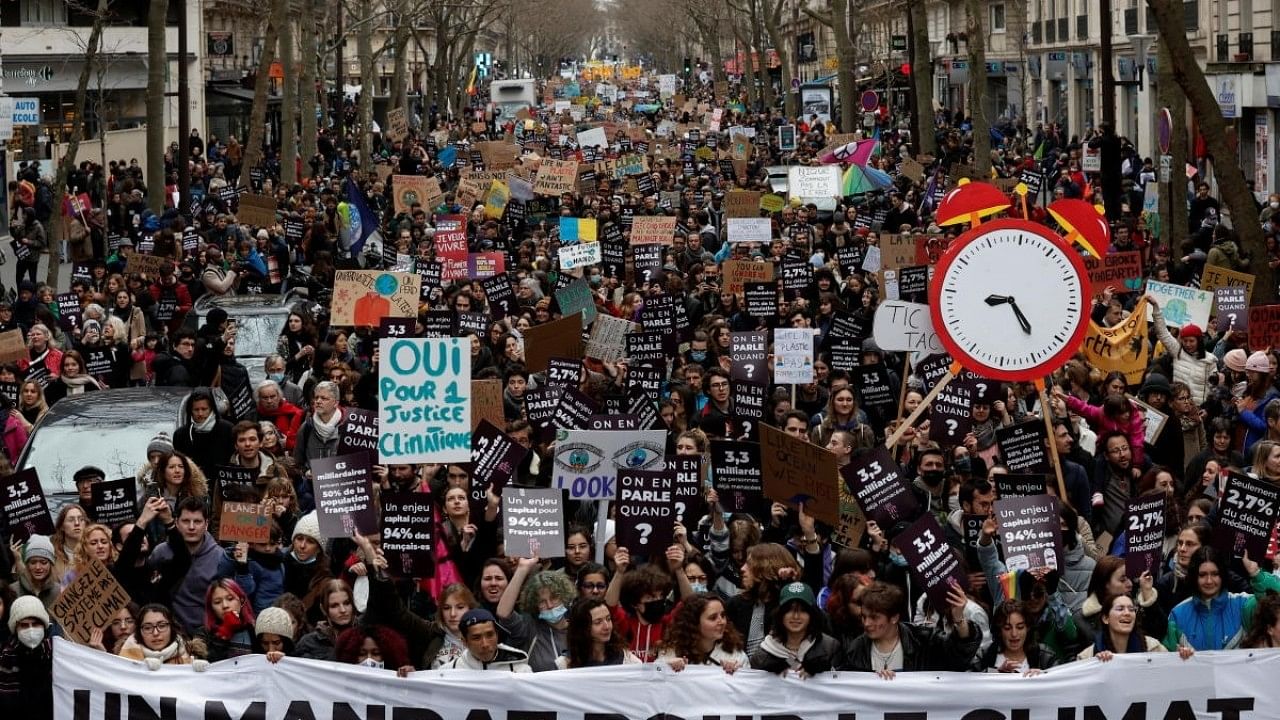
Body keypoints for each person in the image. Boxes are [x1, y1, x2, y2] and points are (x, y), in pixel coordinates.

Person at [834, 581, 981, 676]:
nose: (866, 623)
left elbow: (959, 657)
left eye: (874, 617)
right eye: (864, 617)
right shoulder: (856, 649)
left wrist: (959, 620)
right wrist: (875, 684)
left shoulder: (924, 640)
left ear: (894, 618)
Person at [1163, 547, 1280, 651]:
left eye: (1215, 574)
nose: (1209, 581)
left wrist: (1257, 575)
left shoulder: (1243, 605)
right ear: (1194, 576)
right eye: (1202, 575)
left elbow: (1275, 601)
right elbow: (1167, 658)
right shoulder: (1178, 614)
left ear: (1223, 575)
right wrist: (1178, 656)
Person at [146, 496, 223, 634]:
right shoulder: (160, 552)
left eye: (197, 522)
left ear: (206, 524)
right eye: (186, 521)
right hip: (167, 633)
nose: (191, 527)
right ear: (176, 522)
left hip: (207, 634)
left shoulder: (220, 557)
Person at [749, 582, 838, 677]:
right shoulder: (763, 655)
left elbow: (842, 683)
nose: (796, 616)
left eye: (803, 610)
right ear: (780, 614)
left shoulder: (830, 648)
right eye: (789, 610)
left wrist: (825, 670)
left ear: (812, 615)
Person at [657, 593, 749, 674]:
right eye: (713, 618)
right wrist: (665, 667)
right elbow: (654, 680)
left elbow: (747, 688)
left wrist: (738, 673)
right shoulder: (670, 652)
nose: (721, 622)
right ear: (694, 623)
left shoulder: (735, 654)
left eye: (723, 615)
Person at [1076, 594, 1187, 661]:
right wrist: (1097, 666)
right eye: (1120, 609)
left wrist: (1184, 658)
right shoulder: (1087, 657)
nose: (1127, 613)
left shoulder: (1154, 648)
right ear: (1105, 618)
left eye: (1131, 609)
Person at [0, 596, 53, 717]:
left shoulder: (54, 650)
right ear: (15, 629)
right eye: (24, 625)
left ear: (44, 626)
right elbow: (7, 702)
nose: (31, 630)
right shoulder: (7, 655)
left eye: (35, 624)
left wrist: (98, 649)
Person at [972, 599, 1058, 674]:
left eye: (1020, 627)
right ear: (999, 630)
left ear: (1028, 627)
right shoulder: (984, 654)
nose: (1014, 634)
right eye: (1007, 628)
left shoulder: (1044, 655)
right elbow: (968, 682)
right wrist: (995, 673)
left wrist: (1044, 676)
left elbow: (1061, 682)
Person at [556, 598, 642, 668]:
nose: (606, 626)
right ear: (582, 628)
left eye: (608, 619)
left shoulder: (627, 660)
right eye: (598, 622)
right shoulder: (564, 664)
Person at [118, 603, 208, 671]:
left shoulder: (191, 655)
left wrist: (199, 676)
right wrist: (141, 671)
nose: (155, 633)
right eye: (148, 628)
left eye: (162, 626)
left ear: (171, 627)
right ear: (139, 631)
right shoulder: (120, 659)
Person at [439, 609, 533, 672]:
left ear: (497, 635)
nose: (485, 644)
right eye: (476, 638)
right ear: (465, 642)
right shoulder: (449, 672)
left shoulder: (520, 670)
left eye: (490, 635)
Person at [295, 579, 359, 660]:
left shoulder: (366, 637)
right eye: (334, 605)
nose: (343, 610)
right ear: (323, 609)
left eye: (346, 603)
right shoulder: (309, 643)